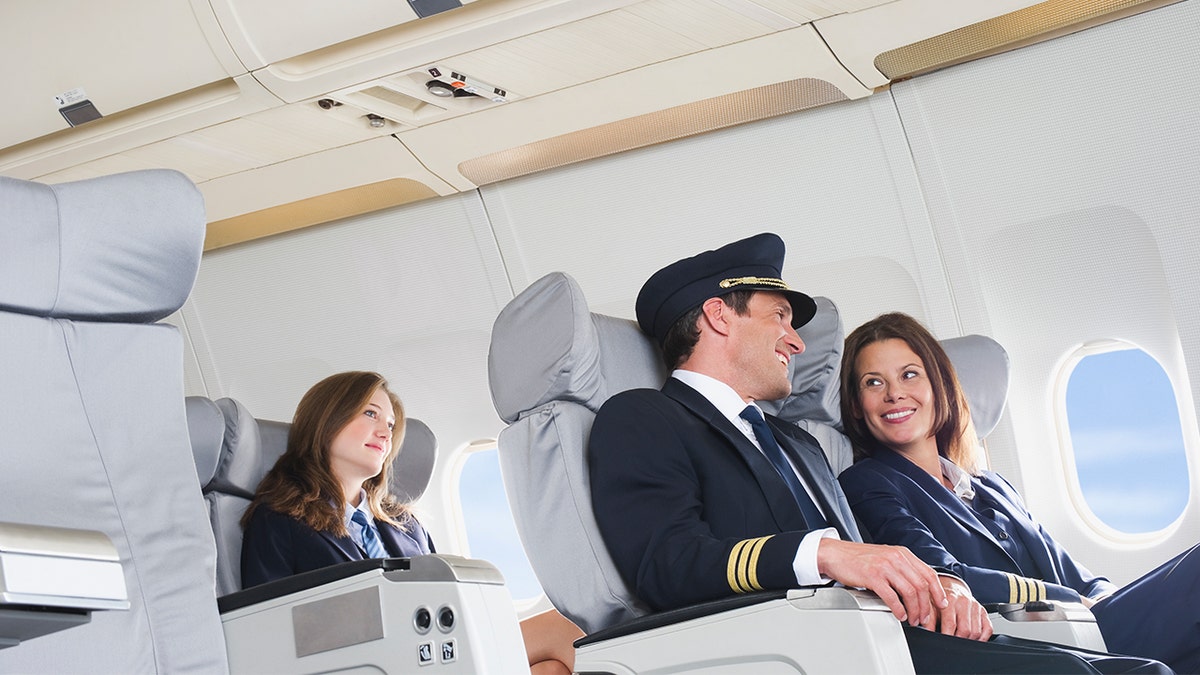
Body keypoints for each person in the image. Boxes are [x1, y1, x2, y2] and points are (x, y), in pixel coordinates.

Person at [588, 233, 1171, 674]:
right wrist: (825, 556)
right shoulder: (645, 418)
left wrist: (947, 589)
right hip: (808, 651)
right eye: (781, 318)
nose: (794, 340)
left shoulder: (798, 444)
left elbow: (872, 562)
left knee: (1145, 670)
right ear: (719, 316)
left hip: (888, 634)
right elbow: (666, 565)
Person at [837, 312, 1199, 673]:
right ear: (856, 405)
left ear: (939, 386)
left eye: (909, 374)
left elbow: (1073, 571)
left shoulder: (992, 486)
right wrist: (1076, 602)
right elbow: (943, 574)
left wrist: (1107, 595)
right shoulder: (867, 482)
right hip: (1043, 638)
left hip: (1088, 624)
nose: (895, 393)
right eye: (873, 383)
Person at [240, 370, 580, 674]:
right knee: (561, 631)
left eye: (389, 425)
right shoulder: (280, 519)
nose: (385, 433)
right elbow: (270, 637)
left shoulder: (405, 524)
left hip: (433, 651)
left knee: (550, 669)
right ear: (327, 420)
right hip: (377, 663)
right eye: (370, 414)